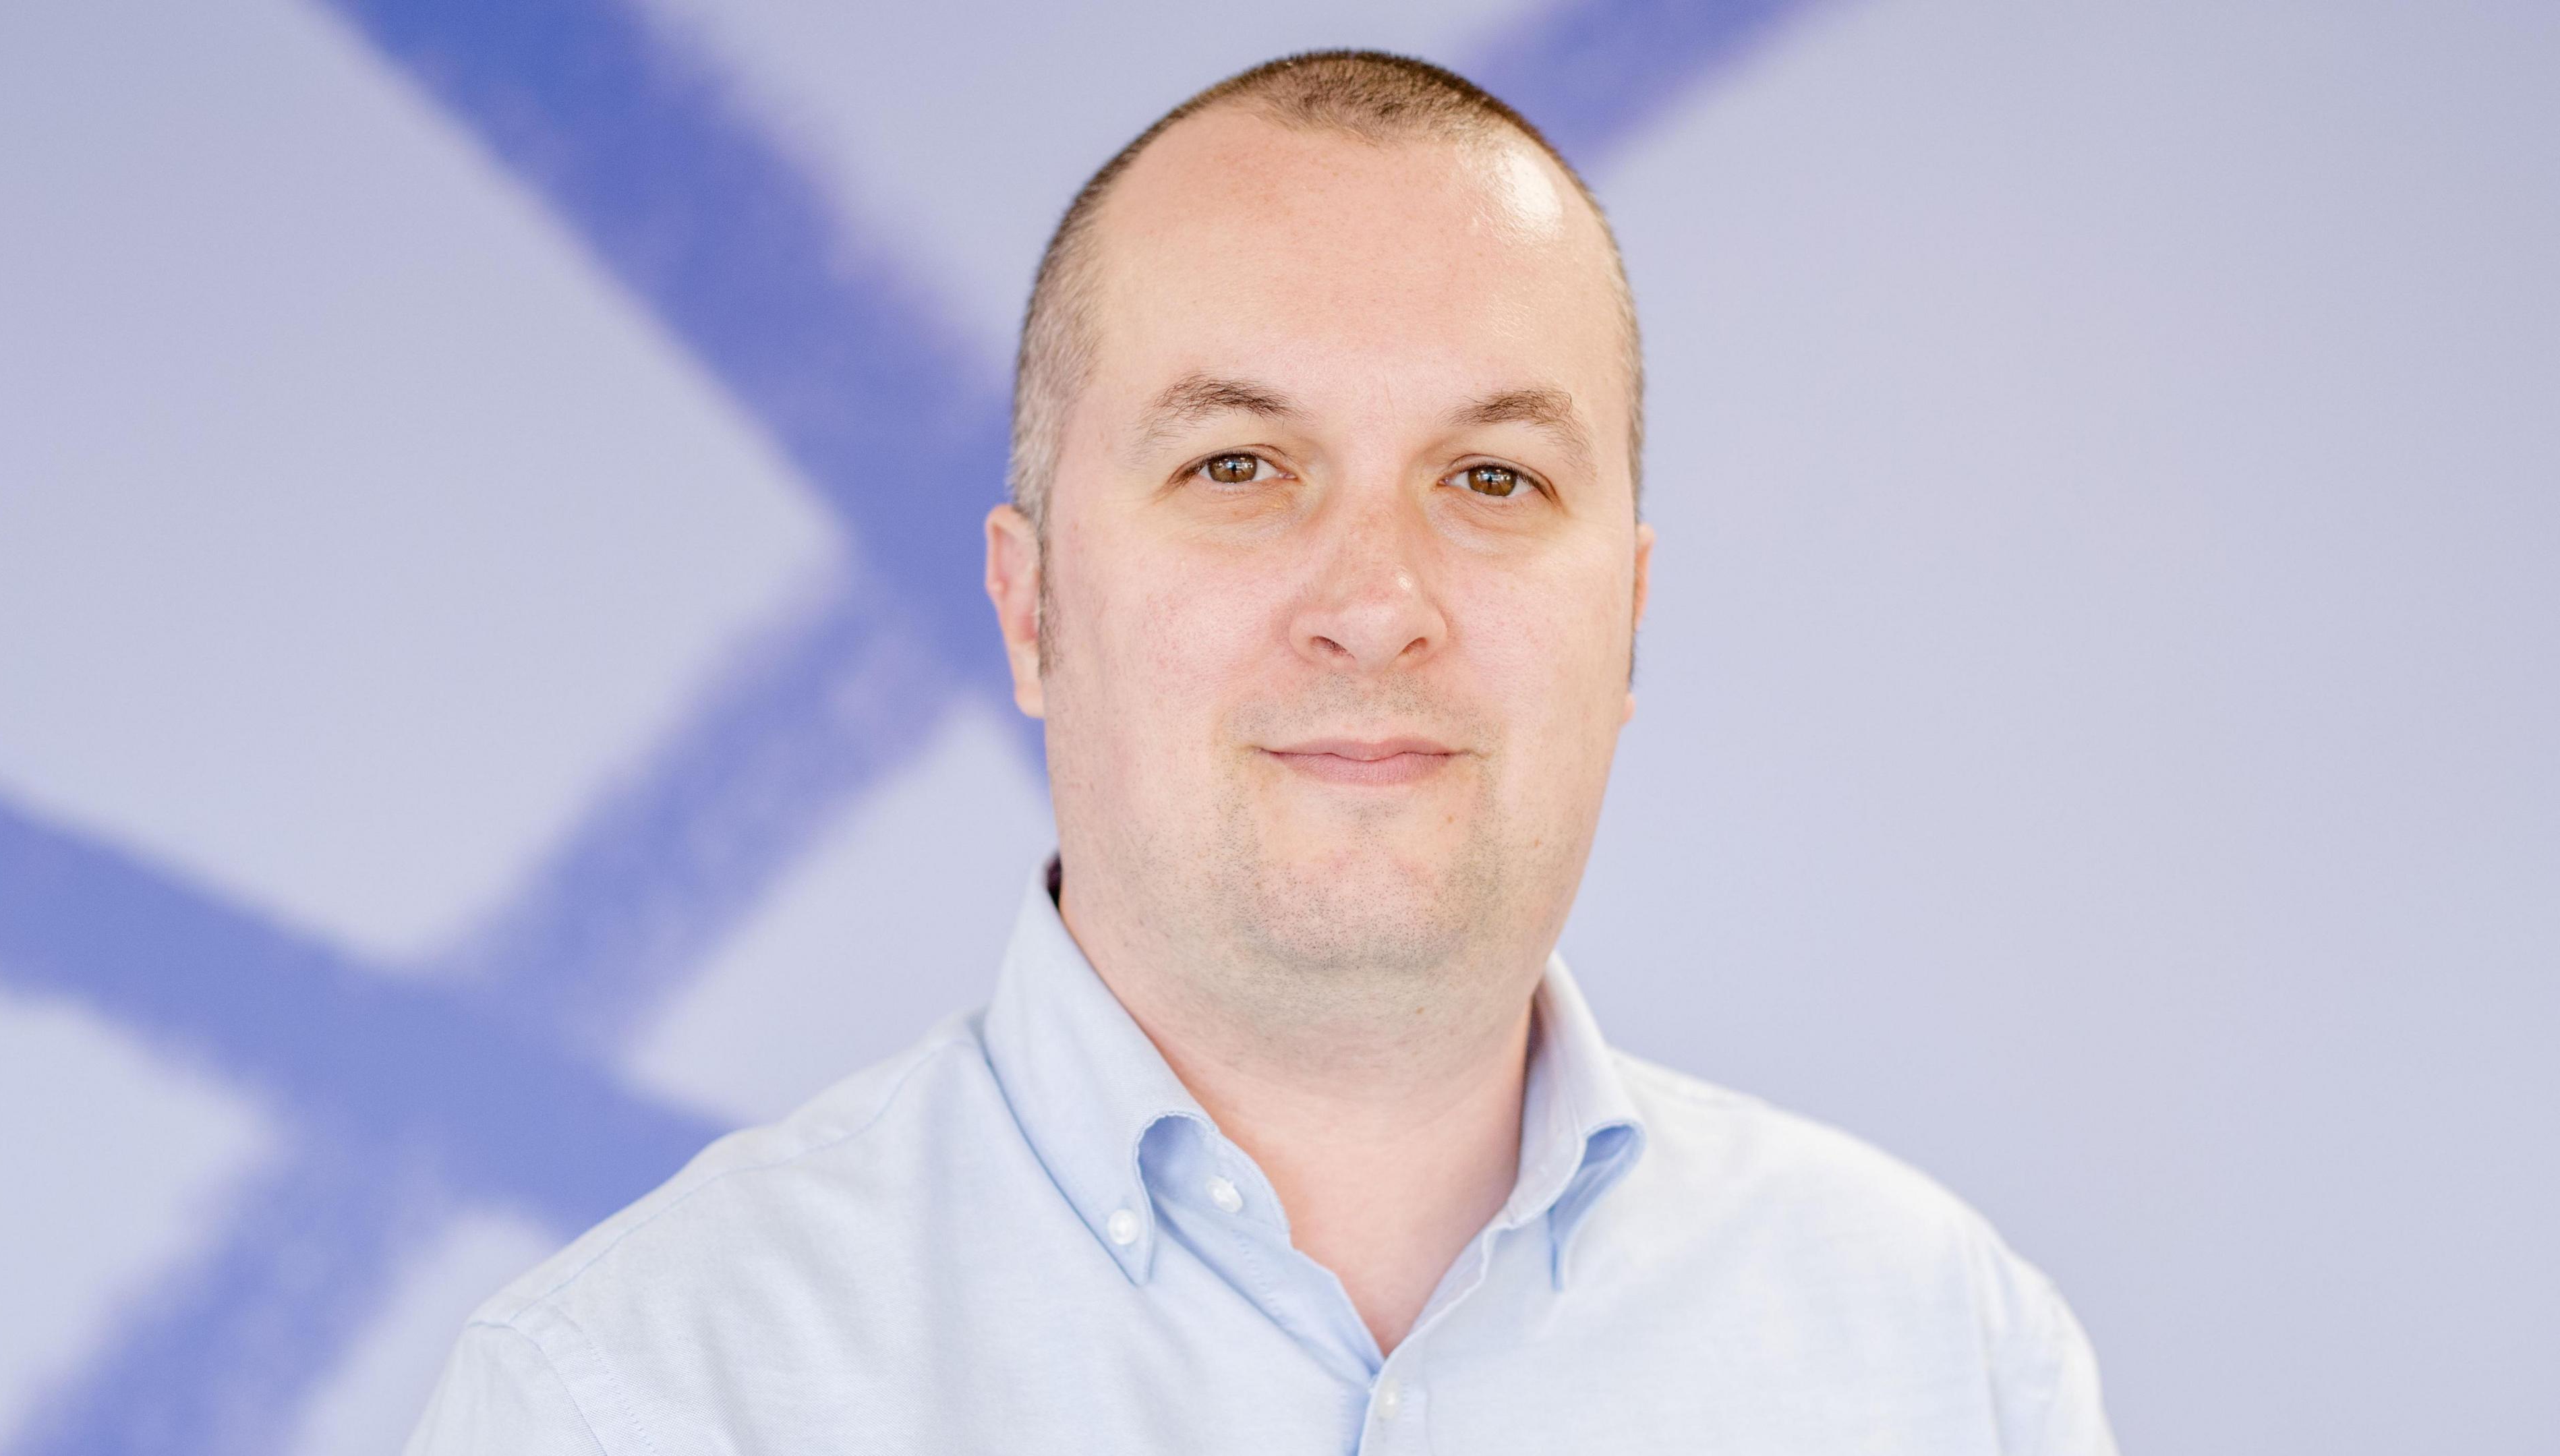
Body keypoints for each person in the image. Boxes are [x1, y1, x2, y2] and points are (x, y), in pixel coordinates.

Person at [409, 51, 2115, 1454]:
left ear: (1630, 625)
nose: (1376, 604)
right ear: (1027, 606)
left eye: (1495, 477)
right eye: (1239, 467)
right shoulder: (633, 1400)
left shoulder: (1950, 1370)